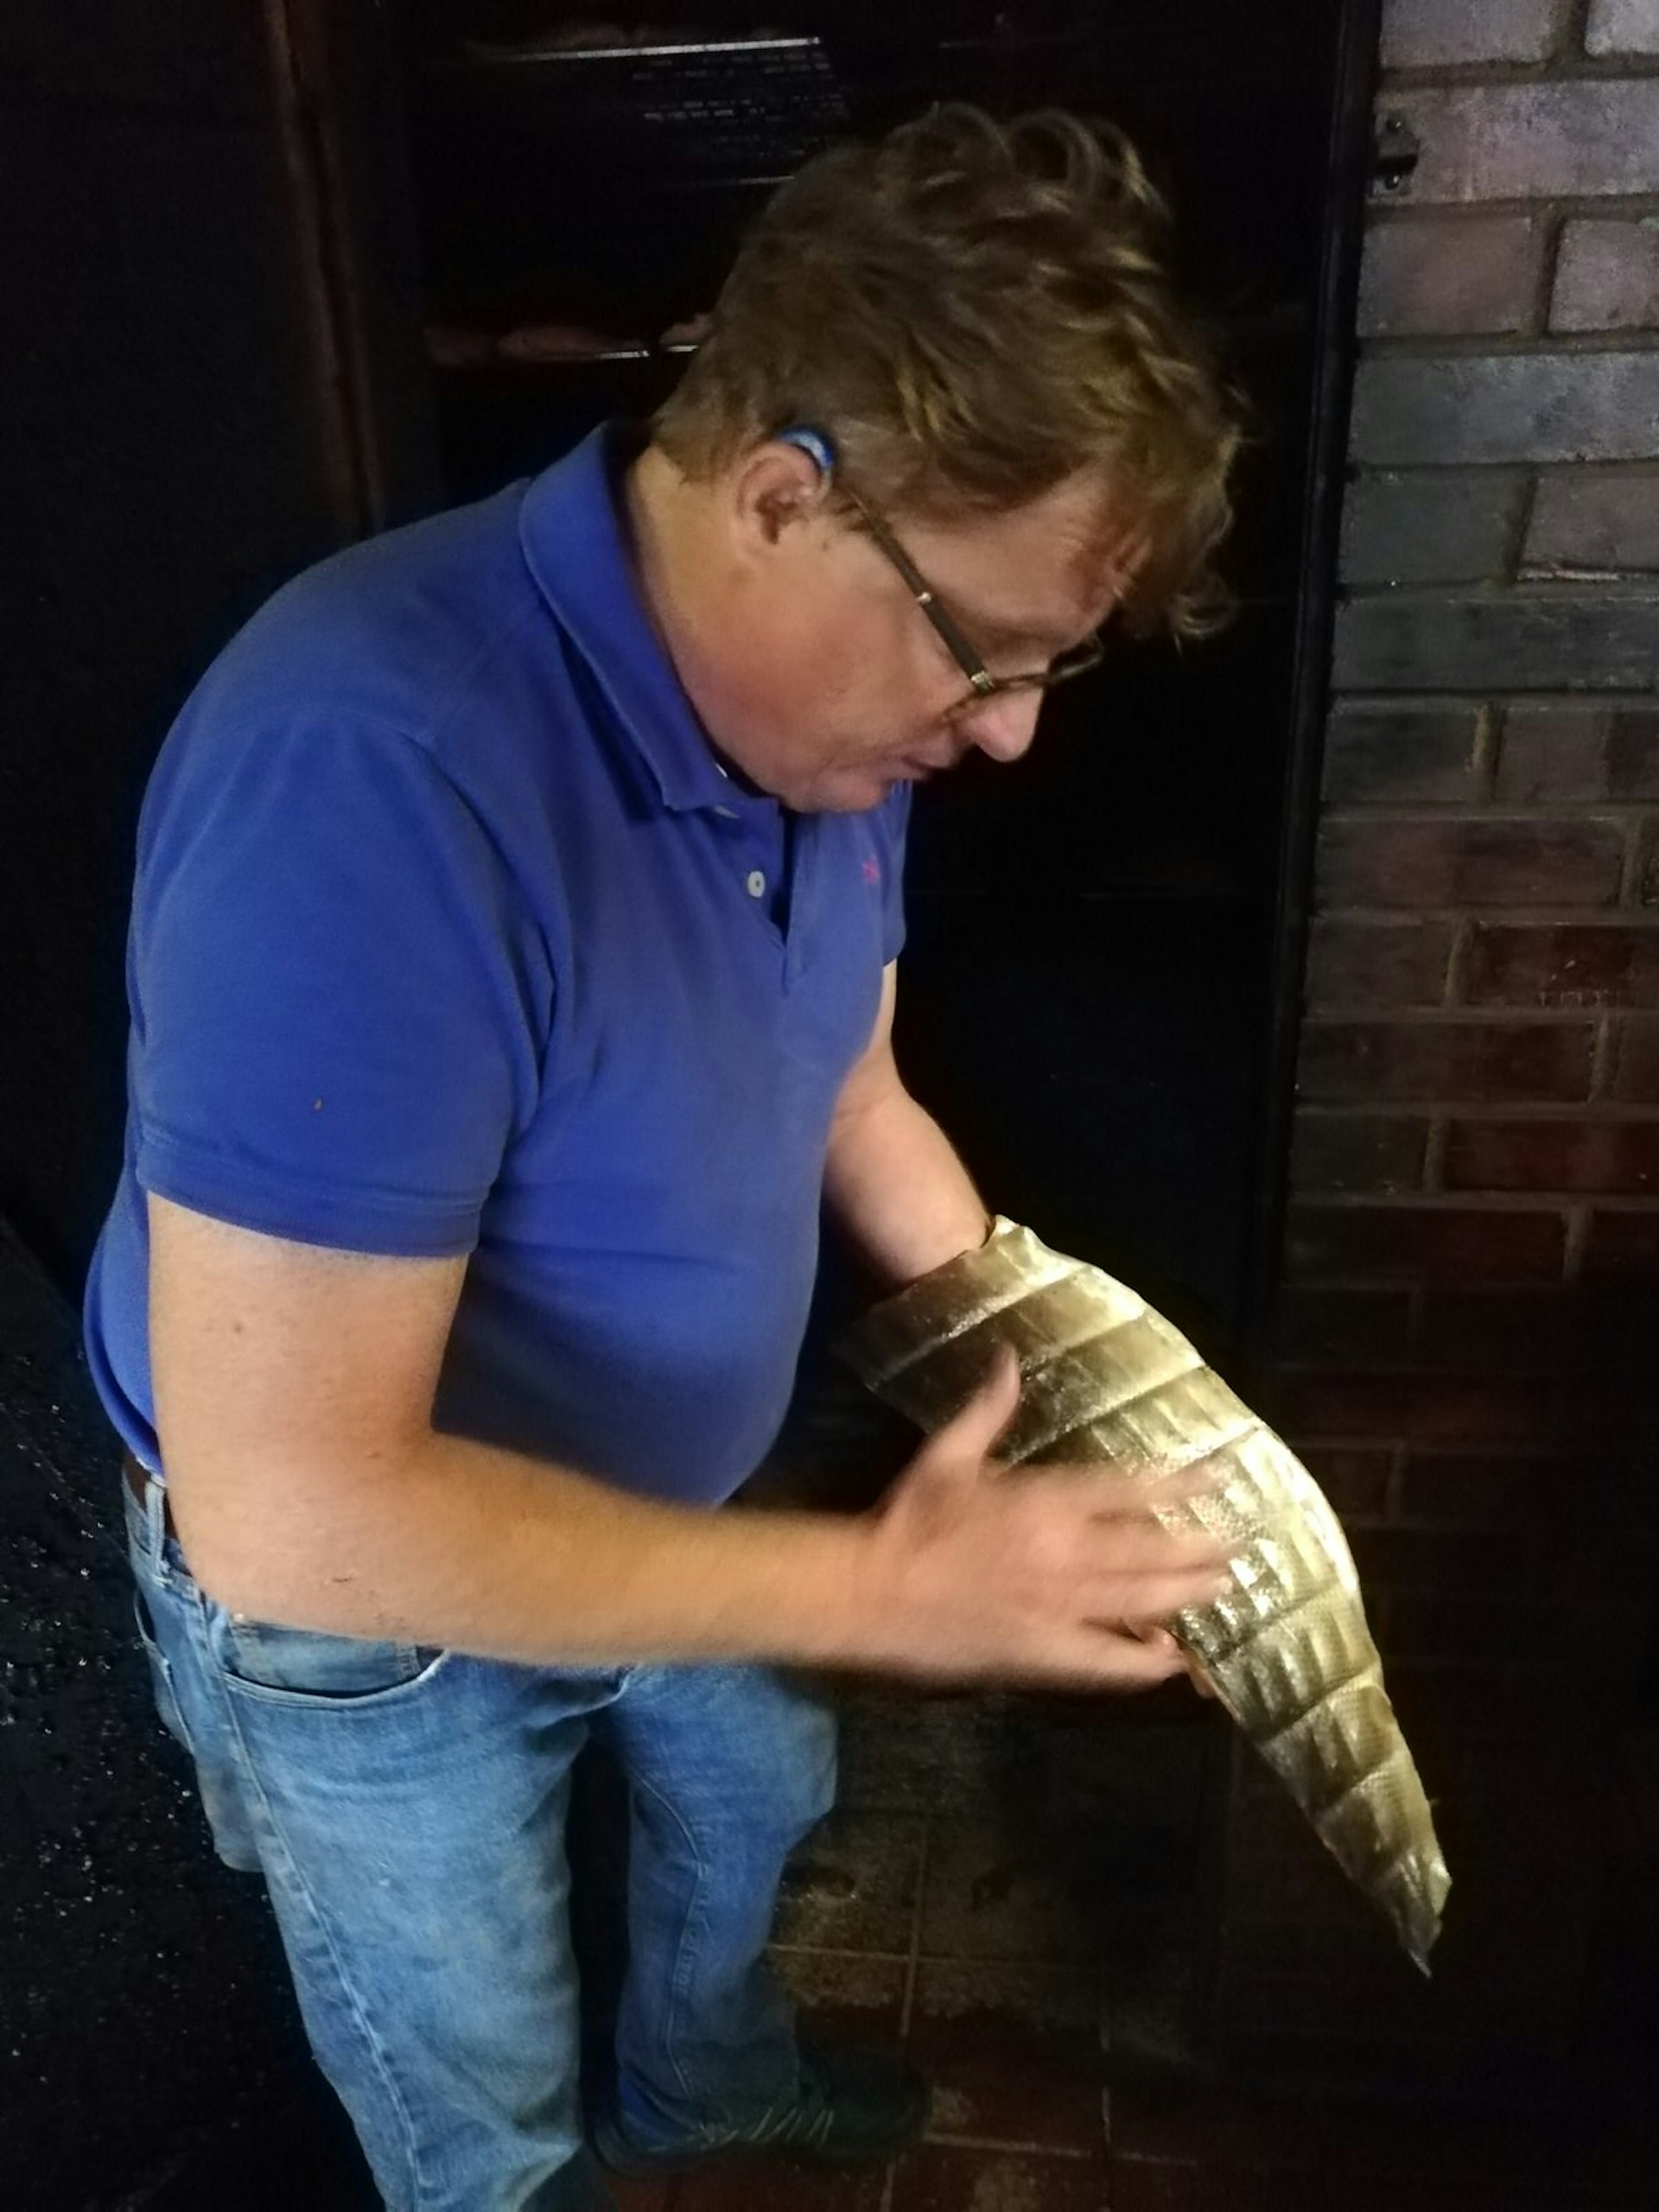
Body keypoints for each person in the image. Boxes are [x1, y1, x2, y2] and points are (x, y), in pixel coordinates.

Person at [83, 105, 1242, 2212]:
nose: (1013, 733)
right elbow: (293, 1503)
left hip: (657, 1486)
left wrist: (1072, 1364)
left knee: (758, 1786)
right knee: (473, 2078)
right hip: (367, 1612)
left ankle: (703, 2089)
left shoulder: (823, 724)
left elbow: (848, 1092)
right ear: (789, 496)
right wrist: (882, 1581)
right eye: (989, 651)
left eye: (1052, 668)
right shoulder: (375, 773)